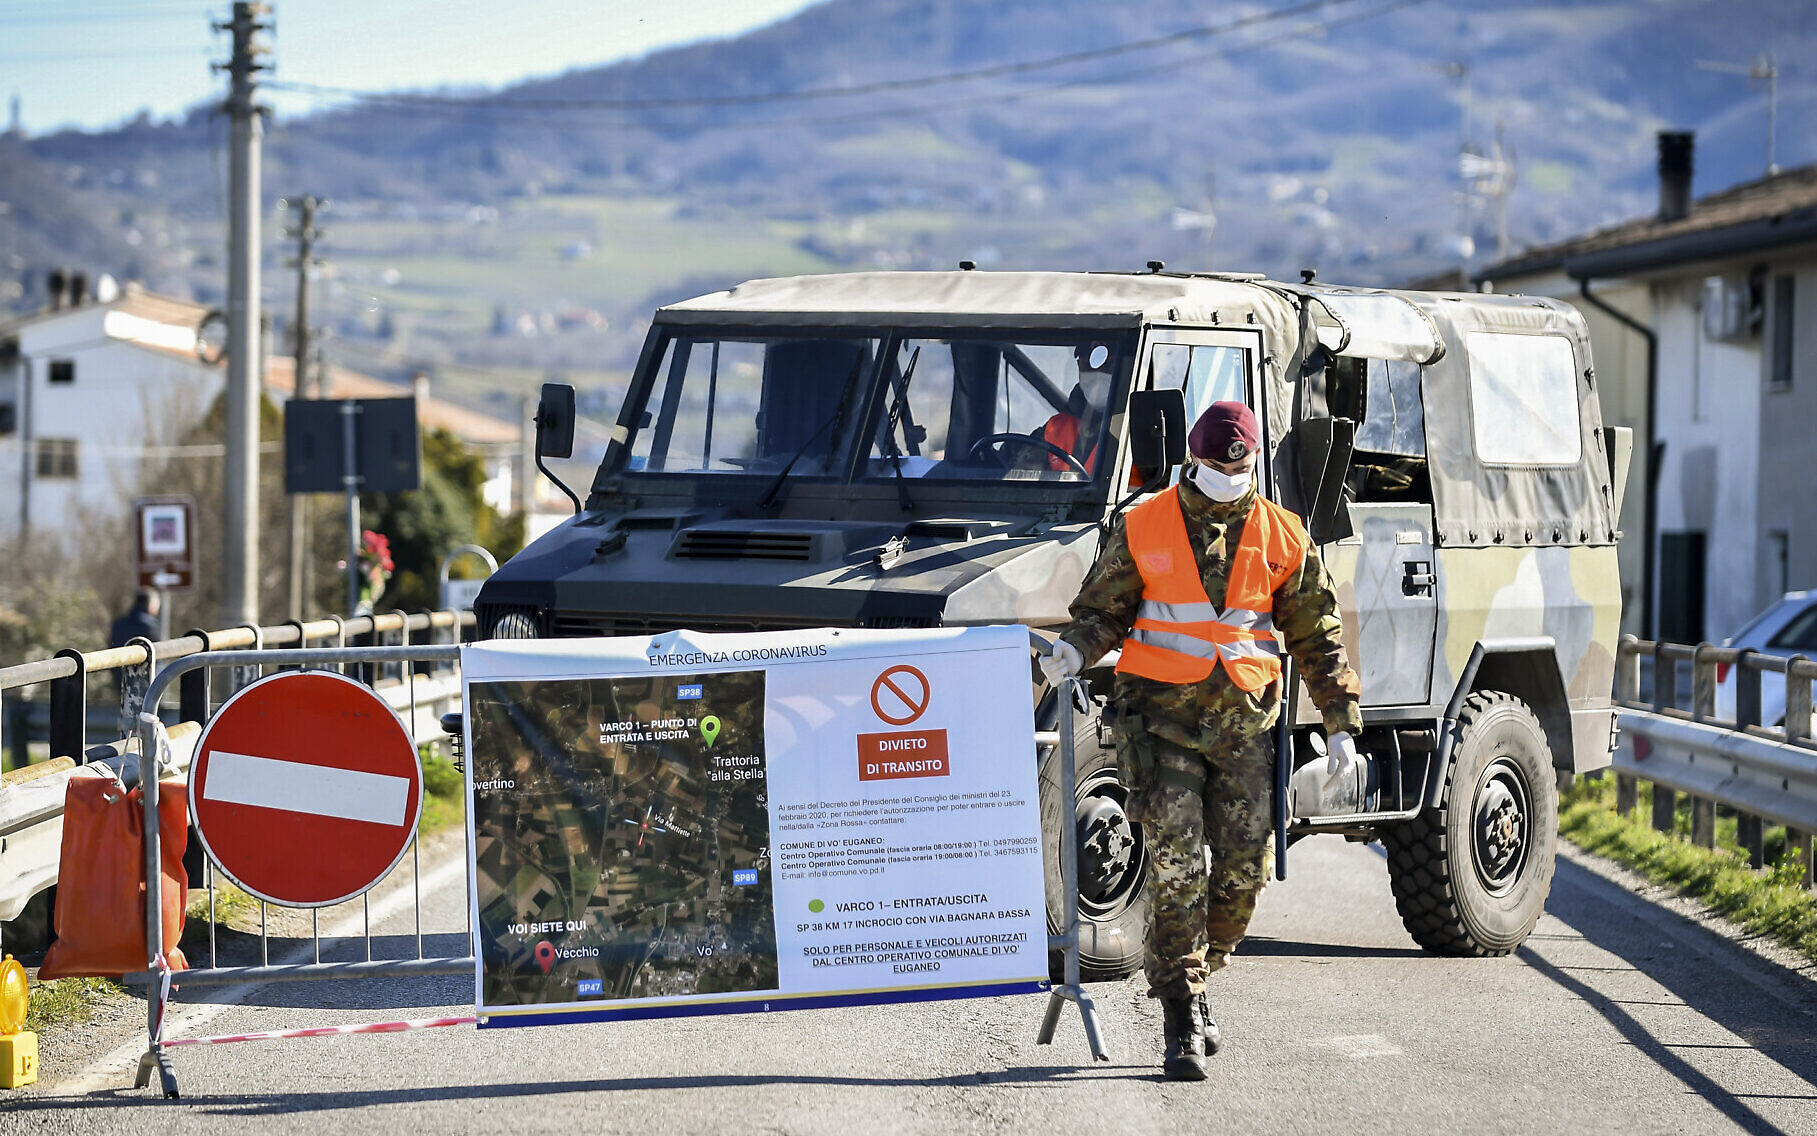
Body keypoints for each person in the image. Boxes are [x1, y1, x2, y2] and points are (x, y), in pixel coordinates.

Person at [1039, 400, 1363, 1081]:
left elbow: (1316, 634)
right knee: (1177, 865)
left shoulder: (1283, 534)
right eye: (1213, 464)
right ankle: (1181, 1017)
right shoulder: (1144, 523)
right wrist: (1074, 651)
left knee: (1242, 874)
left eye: (1236, 465)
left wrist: (1340, 724)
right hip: (1158, 722)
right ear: (1192, 457)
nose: (1224, 474)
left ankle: (1197, 973)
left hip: (1244, 726)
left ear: (1251, 462)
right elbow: (1102, 610)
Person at [1033, 343, 1116, 475]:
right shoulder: (1055, 428)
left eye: (1109, 365)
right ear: (1078, 366)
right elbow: (1010, 465)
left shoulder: (1141, 429)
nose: (1097, 373)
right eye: (1086, 364)